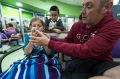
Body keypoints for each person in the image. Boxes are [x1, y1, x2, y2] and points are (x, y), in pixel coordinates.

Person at [30, 0, 120, 79]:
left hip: (102, 63)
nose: (82, 11)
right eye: (83, 6)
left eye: (89, 6)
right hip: (79, 63)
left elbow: (86, 50)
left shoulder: (114, 26)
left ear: (106, 7)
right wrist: (49, 38)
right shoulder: (77, 25)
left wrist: (49, 42)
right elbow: (66, 42)